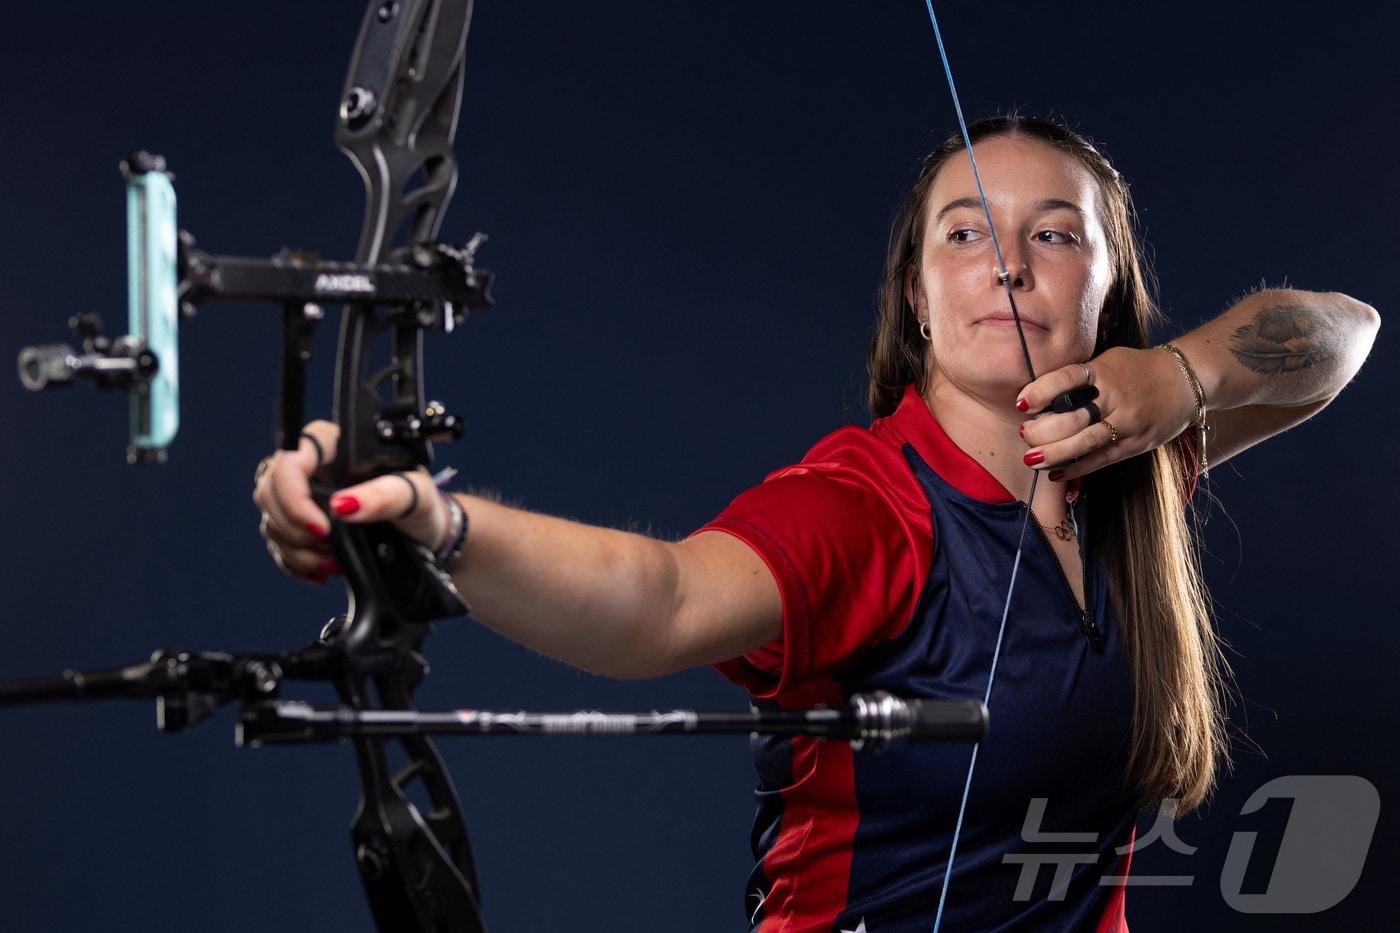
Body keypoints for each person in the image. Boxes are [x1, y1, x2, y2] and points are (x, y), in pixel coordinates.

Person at [253, 116, 1379, 931]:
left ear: (1106, 280)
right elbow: (663, 600)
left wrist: (1181, 376)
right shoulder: (867, 508)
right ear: (915, 298)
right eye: (962, 234)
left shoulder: (1133, 472)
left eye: (1054, 235)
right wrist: (433, 520)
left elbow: (1341, 334)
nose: (1004, 264)